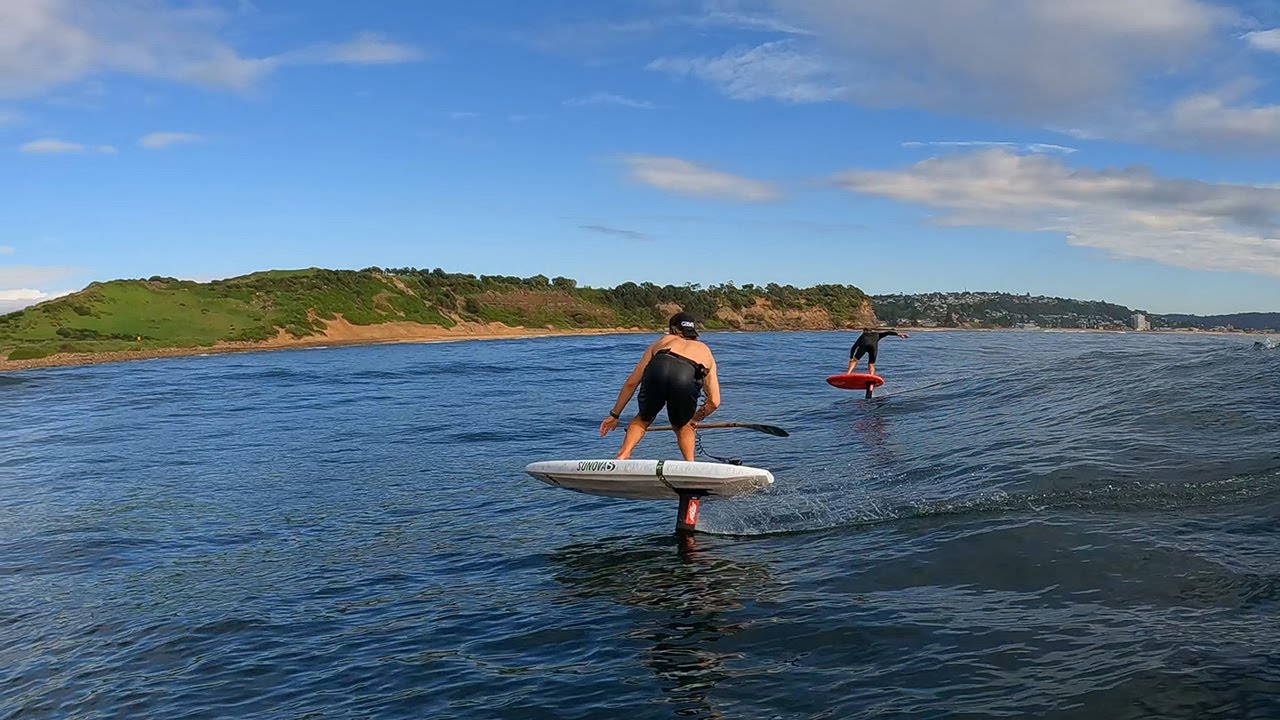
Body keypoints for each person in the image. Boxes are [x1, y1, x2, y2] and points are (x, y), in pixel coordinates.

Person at [599, 312, 720, 461]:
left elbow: (632, 382)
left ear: (671, 330)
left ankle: (623, 454)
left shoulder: (662, 342)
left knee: (643, 418)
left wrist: (614, 415)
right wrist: (694, 419)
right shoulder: (705, 351)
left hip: (660, 362)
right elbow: (714, 401)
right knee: (683, 426)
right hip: (687, 372)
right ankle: (690, 465)